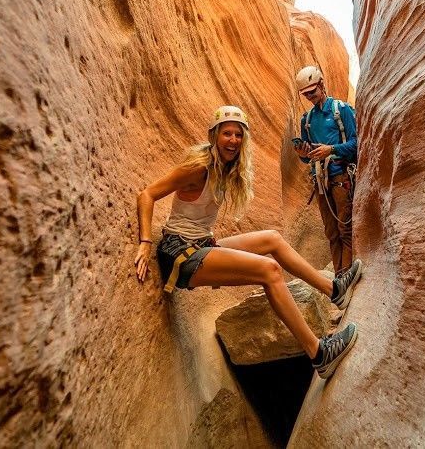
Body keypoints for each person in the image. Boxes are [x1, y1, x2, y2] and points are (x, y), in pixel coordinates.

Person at [133, 105, 363, 379]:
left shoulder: (226, 168)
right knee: (269, 270)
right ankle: (319, 354)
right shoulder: (197, 167)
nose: (233, 140)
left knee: (272, 239)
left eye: (238, 135)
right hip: (180, 254)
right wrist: (145, 242)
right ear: (214, 136)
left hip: (201, 244)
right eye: (226, 134)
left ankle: (333, 289)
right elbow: (147, 194)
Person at [293, 66, 357, 275]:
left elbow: (358, 144)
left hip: (340, 176)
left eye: (312, 91)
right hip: (320, 179)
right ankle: (340, 276)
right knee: (331, 231)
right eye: (306, 94)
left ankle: (347, 274)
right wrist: (303, 151)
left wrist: (332, 149)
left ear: (321, 84)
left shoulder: (342, 110)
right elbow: (305, 158)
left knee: (344, 228)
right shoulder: (307, 120)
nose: (310, 96)